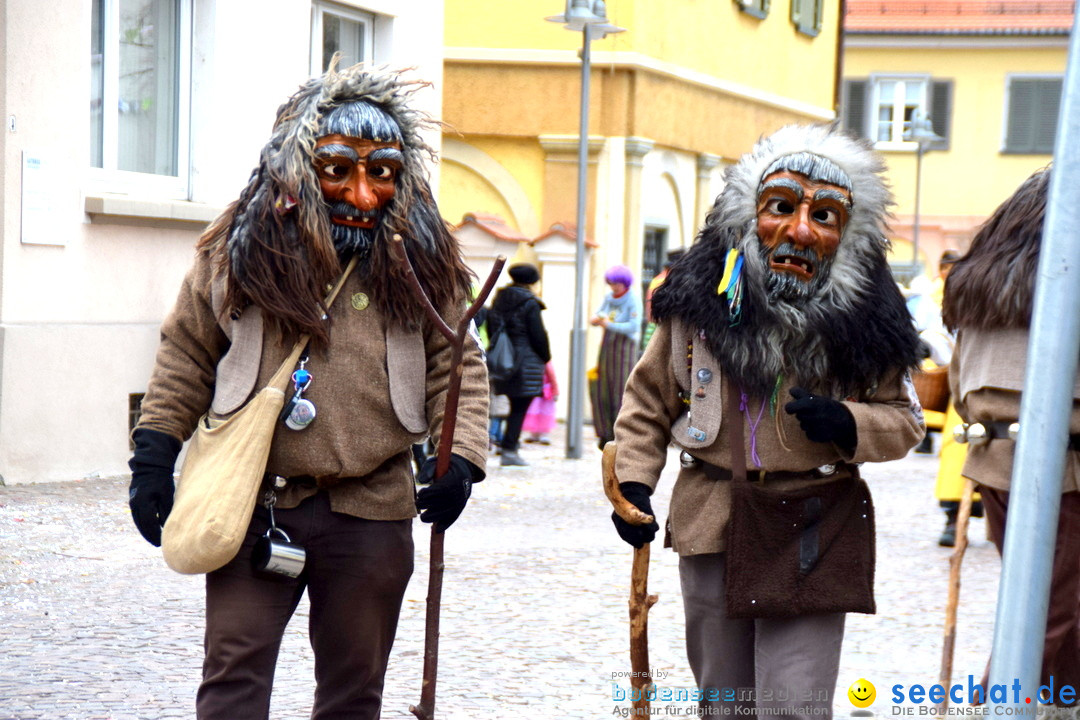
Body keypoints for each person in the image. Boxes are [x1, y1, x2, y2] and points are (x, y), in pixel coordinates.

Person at [126, 62, 489, 720]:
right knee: (232, 676)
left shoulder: (421, 256)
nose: (361, 193)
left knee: (354, 692)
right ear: (302, 163)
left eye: (381, 171)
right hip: (256, 505)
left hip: (373, 510)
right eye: (338, 169)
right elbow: (187, 347)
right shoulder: (243, 245)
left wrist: (459, 459)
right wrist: (153, 451)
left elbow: (456, 362)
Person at [609, 125, 924, 719]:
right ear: (748, 214)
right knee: (725, 703)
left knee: (794, 705)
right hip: (713, 515)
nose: (800, 232)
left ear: (846, 235)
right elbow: (647, 403)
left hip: (814, 521)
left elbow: (905, 420)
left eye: (825, 217)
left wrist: (848, 421)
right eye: (781, 208)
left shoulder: (867, 318)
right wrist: (632, 486)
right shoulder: (699, 301)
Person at [943, 167, 1080, 695]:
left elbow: (961, 384)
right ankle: (997, 705)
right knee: (1045, 611)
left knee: (1053, 605)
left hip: (993, 456)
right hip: (1063, 466)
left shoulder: (980, 279)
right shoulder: (1064, 279)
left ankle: (1061, 701)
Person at [487, 263, 552, 467]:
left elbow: (492, 326)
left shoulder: (500, 299)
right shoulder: (530, 303)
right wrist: (545, 356)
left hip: (504, 358)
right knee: (520, 406)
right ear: (532, 281)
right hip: (526, 361)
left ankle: (505, 444)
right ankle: (509, 449)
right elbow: (537, 335)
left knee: (511, 403)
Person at [590, 264, 643, 449]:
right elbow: (600, 313)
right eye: (611, 284)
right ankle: (605, 432)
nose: (614, 288)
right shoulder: (609, 297)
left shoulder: (633, 299)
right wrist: (596, 319)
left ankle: (621, 432)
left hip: (624, 347)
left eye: (617, 284)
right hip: (608, 345)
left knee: (621, 389)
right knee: (603, 388)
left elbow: (634, 326)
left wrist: (608, 325)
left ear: (625, 283)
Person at [642, 248, 685, 348]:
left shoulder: (656, 279)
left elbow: (649, 312)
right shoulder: (671, 281)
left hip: (652, 326)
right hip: (662, 328)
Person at [523, 361, 559, 444]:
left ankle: (544, 434)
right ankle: (534, 434)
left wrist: (555, 391)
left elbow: (552, 377)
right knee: (534, 412)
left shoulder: (546, 363)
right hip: (535, 391)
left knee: (545, 413)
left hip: (546, 393)